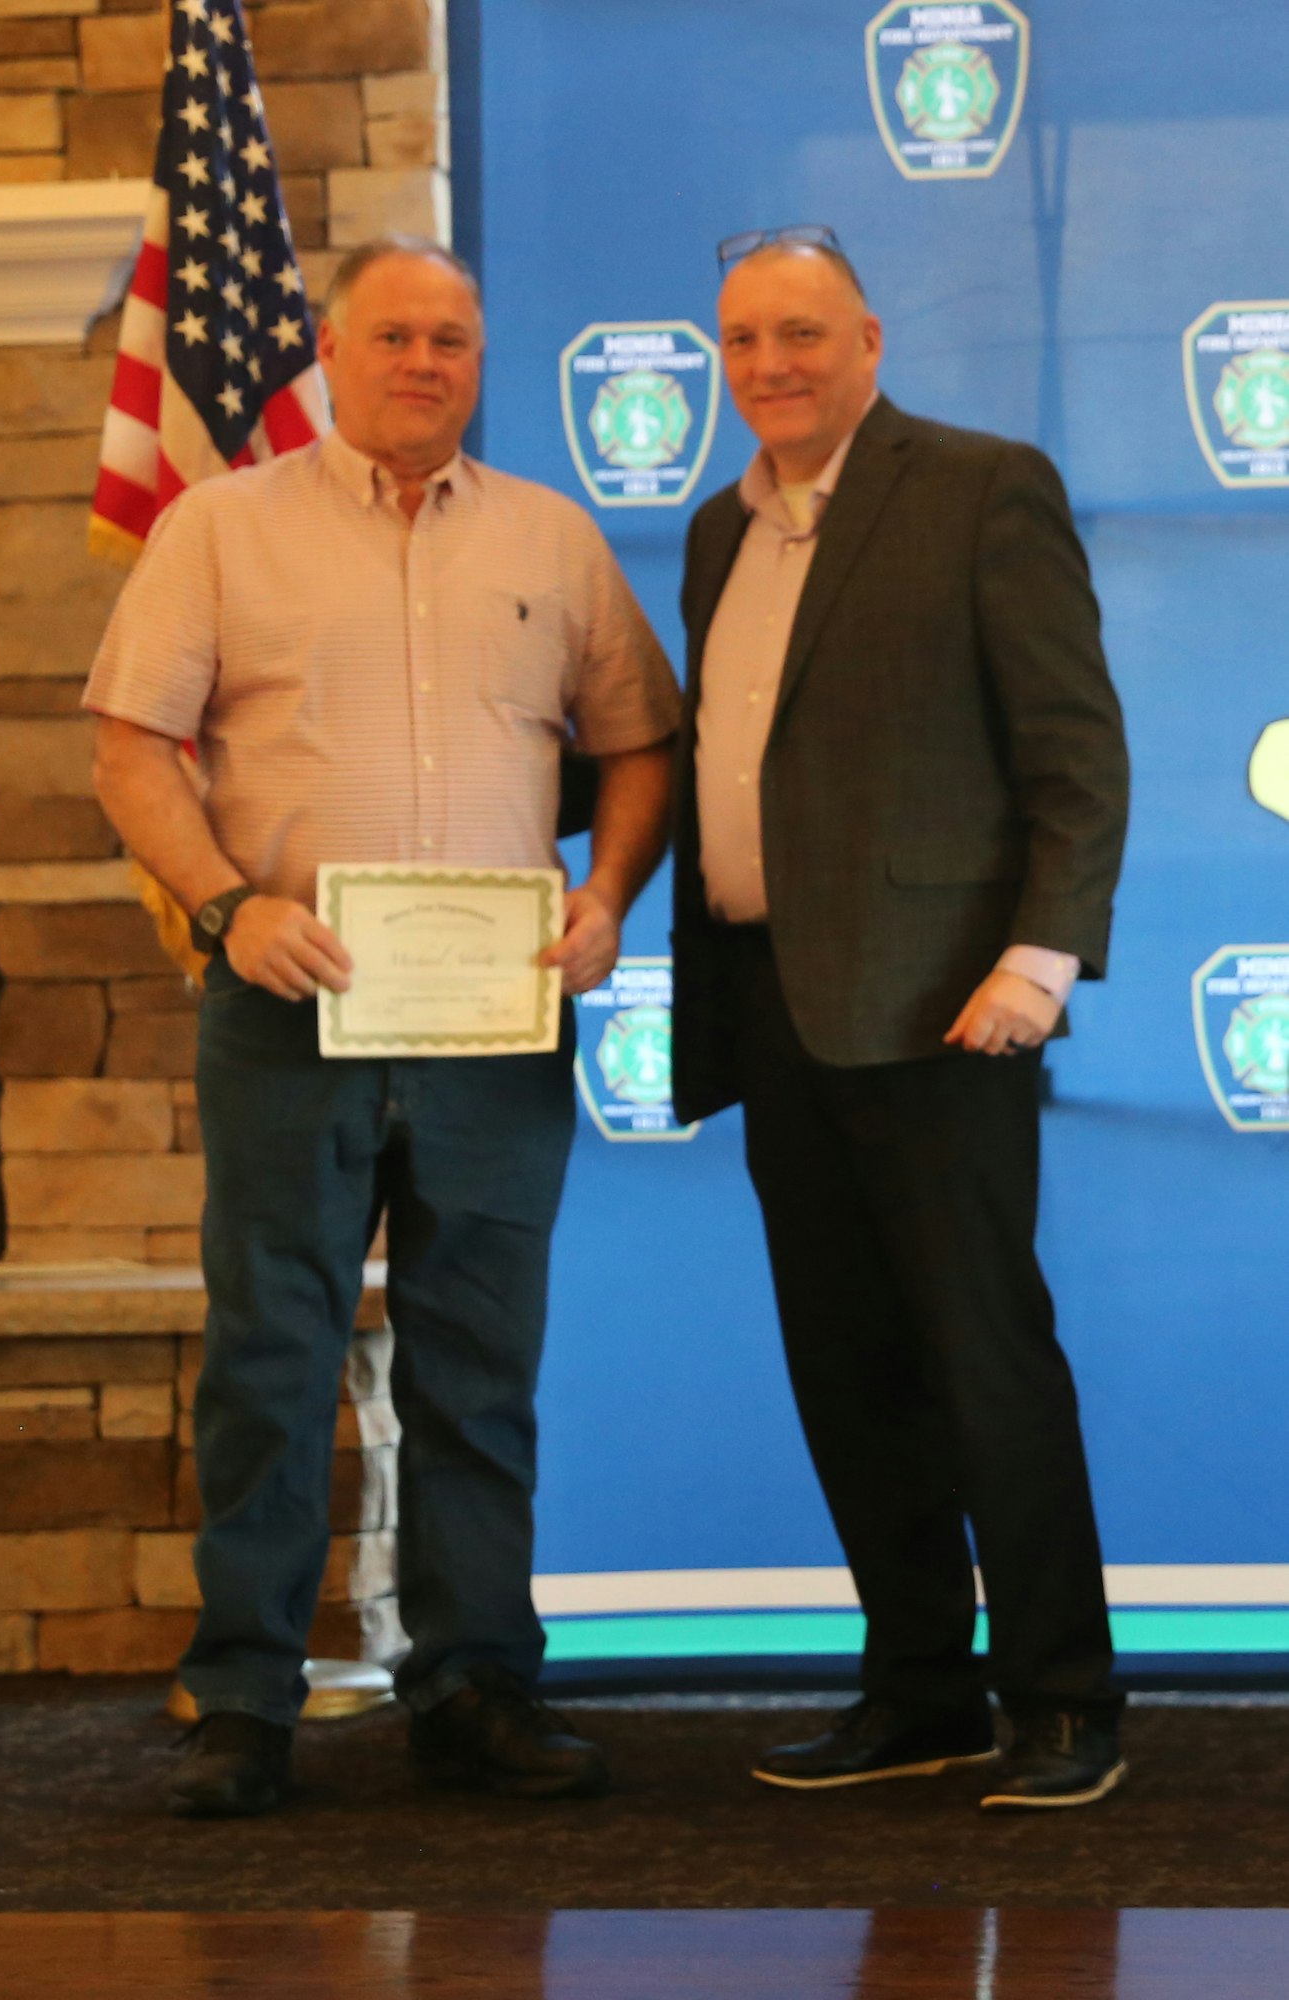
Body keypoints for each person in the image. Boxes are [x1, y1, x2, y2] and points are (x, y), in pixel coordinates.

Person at [87, 236, 680, 1816]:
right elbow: (131, 746)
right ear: (328, 356)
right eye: (395, 335)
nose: (425, 362)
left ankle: (476, 1687)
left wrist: (609, 895)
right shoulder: (220, 528)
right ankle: (243, 1707)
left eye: (453, 339)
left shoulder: (552, 541)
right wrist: (225, 906)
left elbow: (637, 746)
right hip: (289, 1005)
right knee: (271, 1357)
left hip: (493, 1024)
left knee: (479, 1368)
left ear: (479, 361)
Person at [669, 227, 1130, 1810]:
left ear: (866, 335)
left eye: (797, 331)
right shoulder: (712, 535)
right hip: (772, 1007)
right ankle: (921, 1688)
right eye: (739, 340)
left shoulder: (980, 487)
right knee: (846, 1369)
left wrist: (1039, 962)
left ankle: (1064, 1700)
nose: (767, 365)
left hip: (948, 1017)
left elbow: (1074, 751)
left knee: (984, 1360)